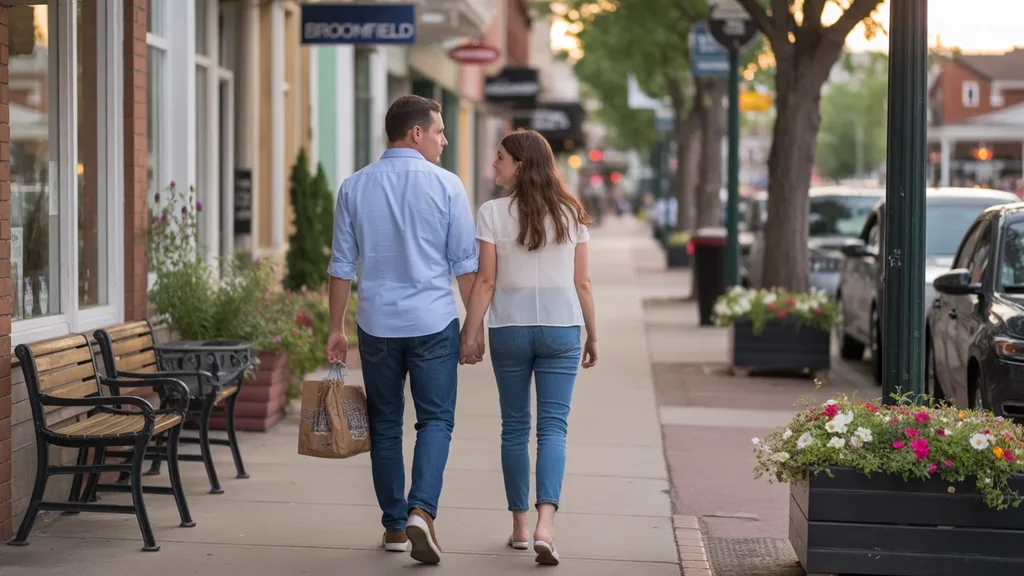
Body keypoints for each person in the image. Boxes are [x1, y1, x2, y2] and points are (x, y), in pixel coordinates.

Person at [325, 94, 482, 566]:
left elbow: (340, 265)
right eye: (438, 131)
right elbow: (465, 267)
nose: (444, 140)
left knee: (386, 424)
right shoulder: (448, 185)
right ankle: (422, 511)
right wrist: (474, 328)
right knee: (436, 420)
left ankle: (395, 525)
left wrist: (336, 328)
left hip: (376, 324)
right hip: (434, 322)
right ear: (415, 133)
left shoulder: (354, 186)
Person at [459, 129, 599, 566]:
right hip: (562, 329)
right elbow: (582, 283)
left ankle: (520, 527)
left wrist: (471, 330)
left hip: (511, 330)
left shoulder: (492, 213)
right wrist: (593, 334)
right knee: (553, 429)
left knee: (515, 428)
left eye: (499, 157)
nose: (493, 165)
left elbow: (485, 281)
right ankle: (546, 526)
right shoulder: (571, 212)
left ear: (519, 164)